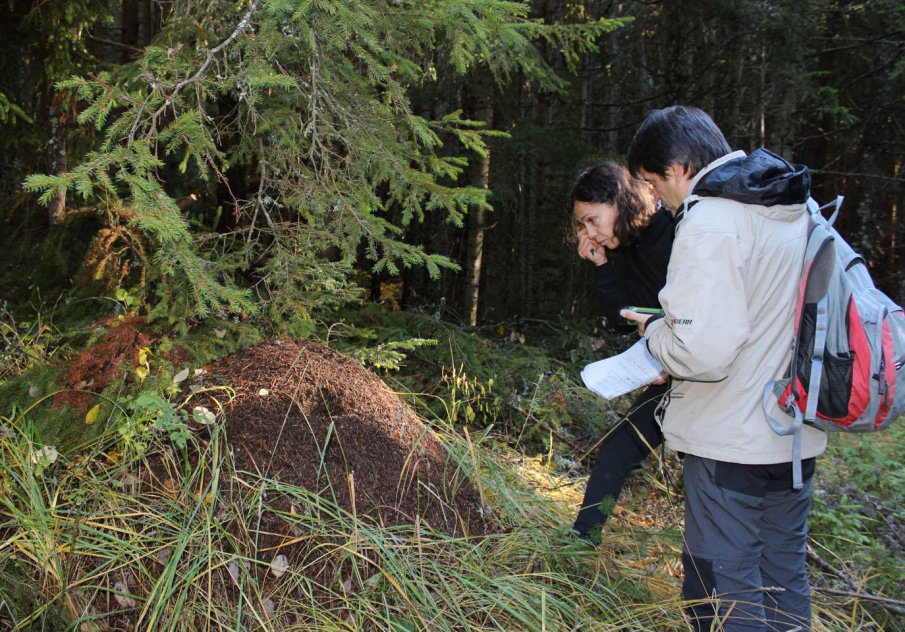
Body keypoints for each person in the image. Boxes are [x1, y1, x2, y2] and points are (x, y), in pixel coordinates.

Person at [622, 106, 826, 631]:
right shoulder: (795, 206)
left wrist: (655, 335)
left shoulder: (712, 218)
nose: (657, 200)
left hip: (731, 438)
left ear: (678, 168)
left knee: (721, 592)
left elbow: (703, 352)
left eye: (652, 183)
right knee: (782, 580)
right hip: (794, 433)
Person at [568, 162, 674, 540]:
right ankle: (581, 545)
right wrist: (601, 265)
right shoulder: (624, 249)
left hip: (709, 371)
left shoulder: (672, 232)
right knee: (616, 450)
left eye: (593, 220)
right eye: (583, 225)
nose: (589, 232)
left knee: (707, 471)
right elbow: (620, 319)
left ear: (620, 202)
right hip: (671, 369)